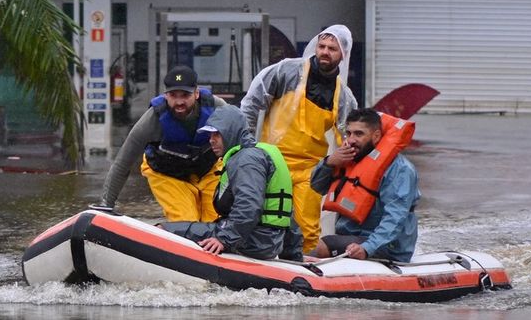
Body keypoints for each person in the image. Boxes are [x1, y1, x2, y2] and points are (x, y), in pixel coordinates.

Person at [239, 24, 358, 252]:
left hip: (309, 171)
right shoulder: (286, 71)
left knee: (308, 230)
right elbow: (251, 104)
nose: (324, 51)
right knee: (265, 219)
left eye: (332, 48)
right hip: (272, 162)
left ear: (342, 55)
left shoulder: (344, 96)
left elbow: (350, 136)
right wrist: (246, 145)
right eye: (321, 46)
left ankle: (303, 270)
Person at [159, 105, 303, 261]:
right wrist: (293, 256)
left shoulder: (245, 160)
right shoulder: (261, 154)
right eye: (210, 135)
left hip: (253, 242)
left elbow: (249, 203)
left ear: (231, 132)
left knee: (164, 229)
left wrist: (224, 239)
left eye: (217, 134)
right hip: (267, 242)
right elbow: (288, 215)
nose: (211, 141)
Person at [95, 65, 226, 221]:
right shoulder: (153, 120)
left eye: (185, 95)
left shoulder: (218, 108)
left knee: (217, 219)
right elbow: (123, 162)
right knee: (186, 221)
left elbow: (242, 139)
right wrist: (106, 205)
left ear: (196, 93)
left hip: (208, 169)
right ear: (165, 96)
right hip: (167, 173)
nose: (179, 102)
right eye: (173, 95)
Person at [310, 107, 420, 262]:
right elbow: (316, 187)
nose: (351, 139)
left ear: (376, 136)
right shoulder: (347, 159)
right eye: (348, 133)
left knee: (318, 247)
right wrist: (329, 163)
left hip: (387, 246)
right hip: (351, 238)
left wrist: (367, 248)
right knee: (299, 243)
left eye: (359, 134)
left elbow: (395, 217)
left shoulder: (400, 170)